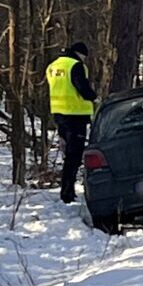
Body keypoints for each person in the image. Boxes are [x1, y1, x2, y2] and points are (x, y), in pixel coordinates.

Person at [45, 42, 97, 204]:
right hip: (76, 115)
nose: (84, 59)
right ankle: (67, 192)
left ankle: (67, 190)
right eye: (84, 56)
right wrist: (94, 97)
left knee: (68, 154)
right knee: (74, 156)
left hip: (59, 115)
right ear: (79, 54)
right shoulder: (75, 65)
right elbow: (82, 87)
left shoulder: (53, 66)